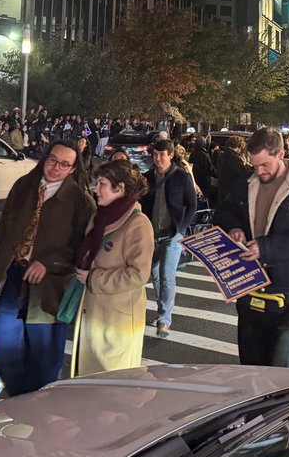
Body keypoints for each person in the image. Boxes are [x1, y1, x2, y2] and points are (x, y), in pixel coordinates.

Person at [0, 140, 94, 395]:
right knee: (5, 343)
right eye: (53, 160)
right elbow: (2, 233)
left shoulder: (80, 201)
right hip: (15, 275)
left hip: (50, 288)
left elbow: (85, 248)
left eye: (65, 165)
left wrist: (50, 263)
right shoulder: (24, 187)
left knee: (44, 355)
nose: (56, 168)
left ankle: (40, 407)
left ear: (74, 169)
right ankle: (17, 400)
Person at [215, 127, 289, 368]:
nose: (259, 171)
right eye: (254, 165)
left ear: (281, 154)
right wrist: (233, 228)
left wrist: (266, 248)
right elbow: (223, 213)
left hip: (288, 293)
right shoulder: (244, 184)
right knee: (252, 368)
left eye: (265, 164)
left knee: (287, 375)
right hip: (248, 288)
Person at [70, 161, 154, 376]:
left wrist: (93, 279)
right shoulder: (100, 217)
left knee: (113, 389)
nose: (95, 189)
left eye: (102, 184)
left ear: (120, 188)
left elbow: (138, 274)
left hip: (117, 321)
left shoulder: (138, 223)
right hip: (93, 312)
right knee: (90, 382)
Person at [142, 138, 198, 338]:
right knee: (155, 274)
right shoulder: (147, 177)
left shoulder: (181, 177)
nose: (158, 159)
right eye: (155, 155)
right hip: (151, 233)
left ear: (171, 155)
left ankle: (165, 319)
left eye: (162, 155)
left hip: (173, 233)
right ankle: (161, 313)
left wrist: (181, 230)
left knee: (167, 274)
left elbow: (192, 205)